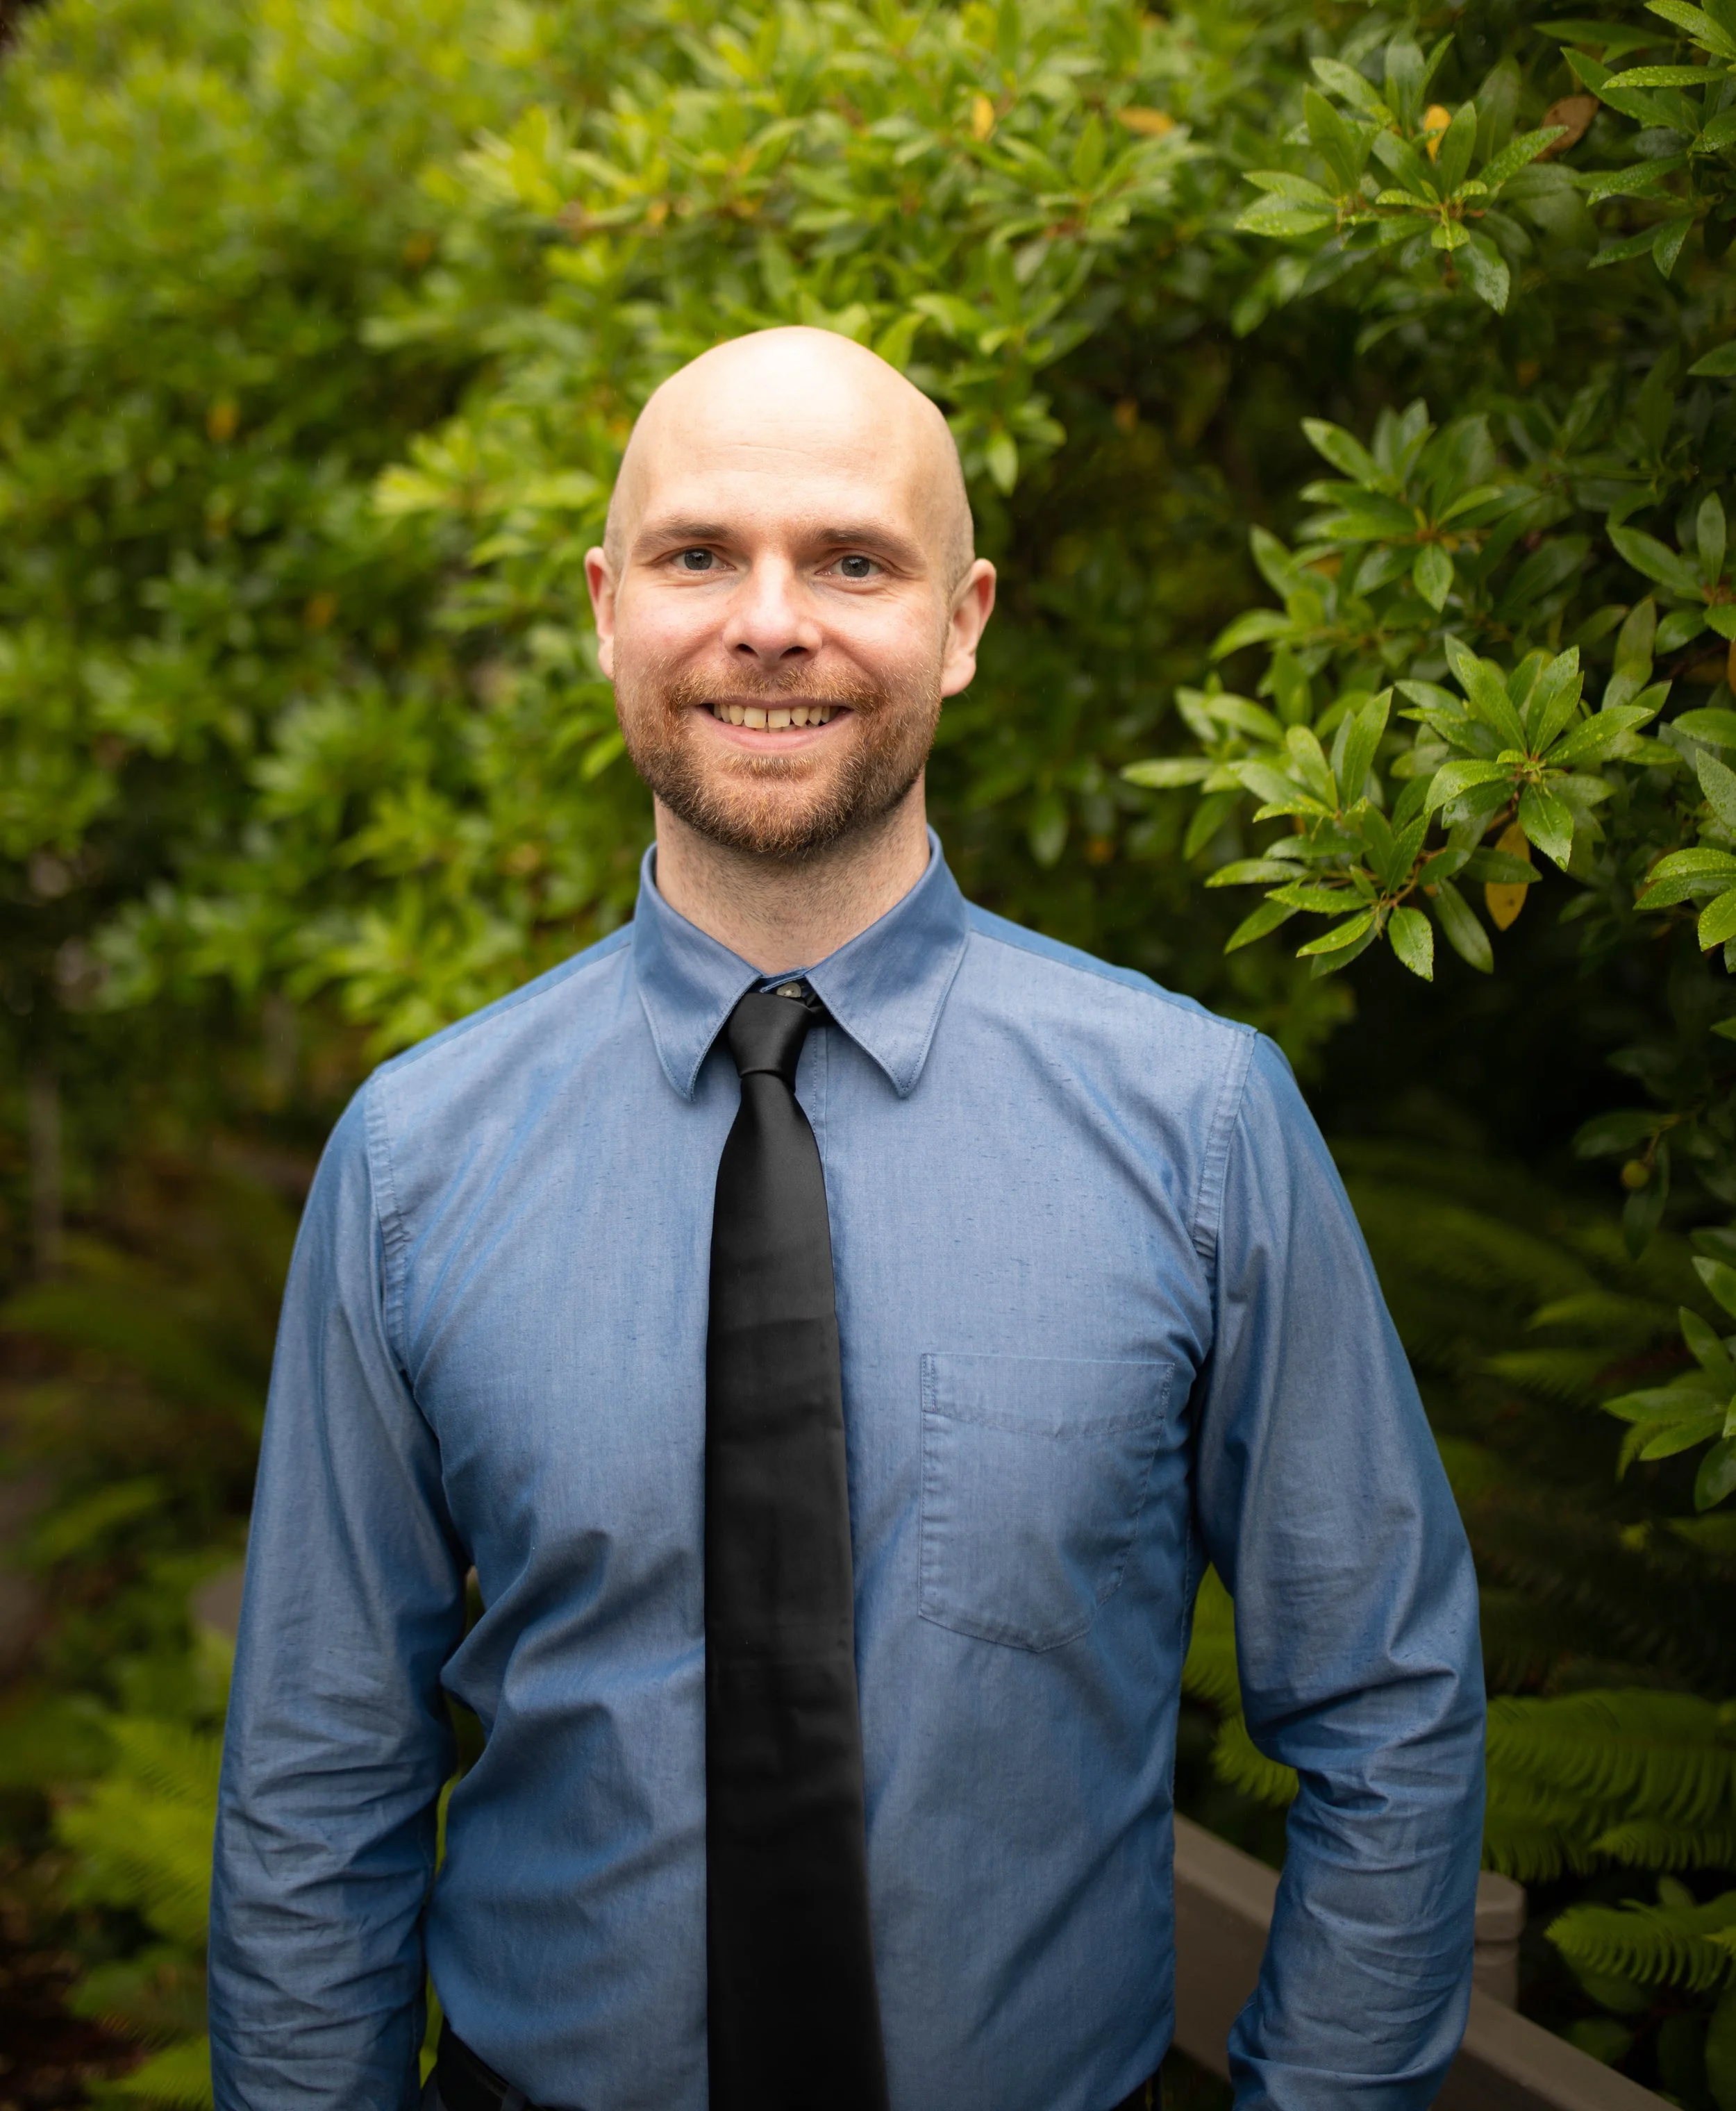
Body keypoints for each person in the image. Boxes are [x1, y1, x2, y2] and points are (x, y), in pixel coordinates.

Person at [208, 326, 1485, 2111]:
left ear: (961, 621)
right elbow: (318, 1771)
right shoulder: (415, 1158)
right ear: (605, 605)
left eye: (852, 559)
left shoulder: (1201, 1126)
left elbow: (1386, 1704)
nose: (769, 618)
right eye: (698, 553)